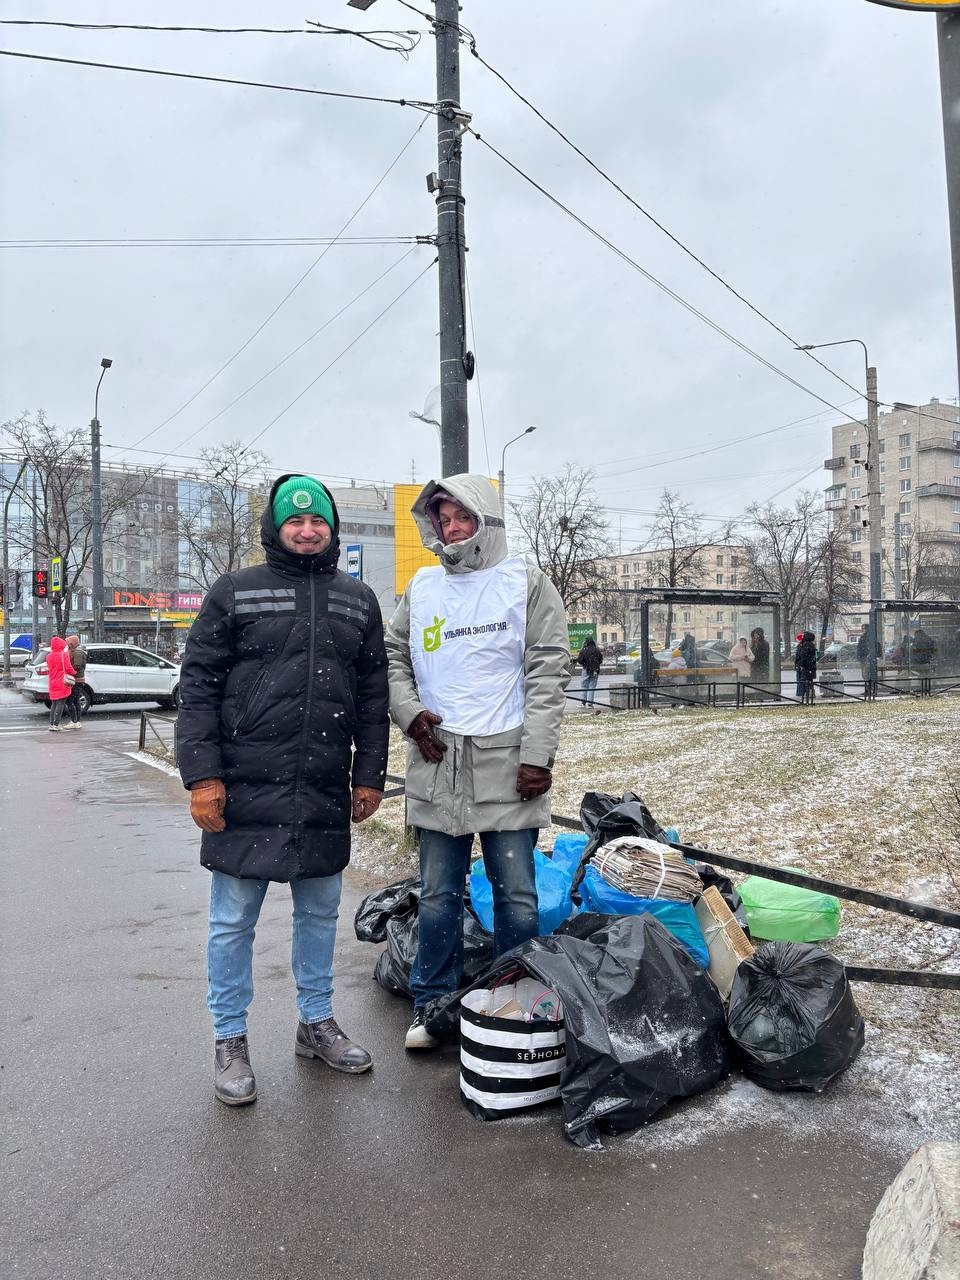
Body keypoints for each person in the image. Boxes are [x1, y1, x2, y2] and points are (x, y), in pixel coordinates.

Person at [176, 475, 389, 1107]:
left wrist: (369, 774)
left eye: (318, 520)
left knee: (319, 913)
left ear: (332, 528)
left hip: (322, 785)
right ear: (276, 527)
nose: (307, 530)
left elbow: (373, 696)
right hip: (243, 784)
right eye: (295, 521)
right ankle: (229, 1037)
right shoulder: (235, 591)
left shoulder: (358, 600)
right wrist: (203, 777)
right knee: (231, 921)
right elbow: (199, 686)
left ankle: (315, 1023)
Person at [385, 475, 569, 1051]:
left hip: (507, 762)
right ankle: (432, 1004)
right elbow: (393, 657)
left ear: (485, 520)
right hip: (437, 759)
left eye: (462, 517)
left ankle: (516, 1000)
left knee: (516, 892)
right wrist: (409, 713)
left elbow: (548, 671)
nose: (452, 529)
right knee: (437, 892)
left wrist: (537, 755)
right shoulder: (422, 588)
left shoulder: (527, 583)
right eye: (442, 520)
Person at [43, 635, 75, 732]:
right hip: (62, 682)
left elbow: (50, 668)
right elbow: (68, 668)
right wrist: (74, 673)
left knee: (54, 703)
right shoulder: (63, 655)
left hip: (52, 682)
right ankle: (56, 724)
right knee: (60, 703)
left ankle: (52, 724)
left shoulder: (48, 656)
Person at [62, 635, 87, 728]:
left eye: (68, 643)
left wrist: (68, 667)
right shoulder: (73, 651)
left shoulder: (77, 653)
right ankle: (76, 721)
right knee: (75, 701)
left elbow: (77, 666)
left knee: (70, 700)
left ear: (72, 643)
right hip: (75, 679)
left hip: (76, 680)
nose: (67, 644)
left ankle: (74, 721)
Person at [576, 636, 603, 711]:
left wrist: (585, 663)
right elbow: (600, 660)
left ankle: (583, 703)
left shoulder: (584, 650)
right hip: (595, 670)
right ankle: (590, 704)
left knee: (584, 686)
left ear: (586, 642)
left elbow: (580, 660)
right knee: (592, 686)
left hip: (586, 669)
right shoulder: (597, 650)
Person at [794, 631, 818, 703]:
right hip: (810, 667)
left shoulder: (806, 645)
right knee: (808, 680)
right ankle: (809, 694)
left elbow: (803, 656)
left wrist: (801, 664)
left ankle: (806, 696)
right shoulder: (810, 644)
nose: (803, 636)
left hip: (806, 667)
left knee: (805, 681)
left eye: (804, 635)